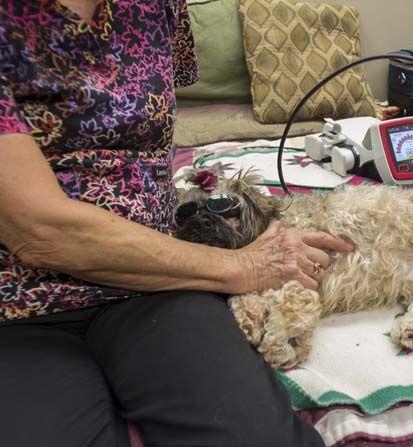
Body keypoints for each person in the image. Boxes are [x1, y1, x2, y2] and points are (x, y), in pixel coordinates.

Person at [0, 1, 355, 446]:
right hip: (20, 304)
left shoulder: (158, 6)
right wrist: (242, 266)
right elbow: (38, 230)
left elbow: (154, 126)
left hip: (156, 277)